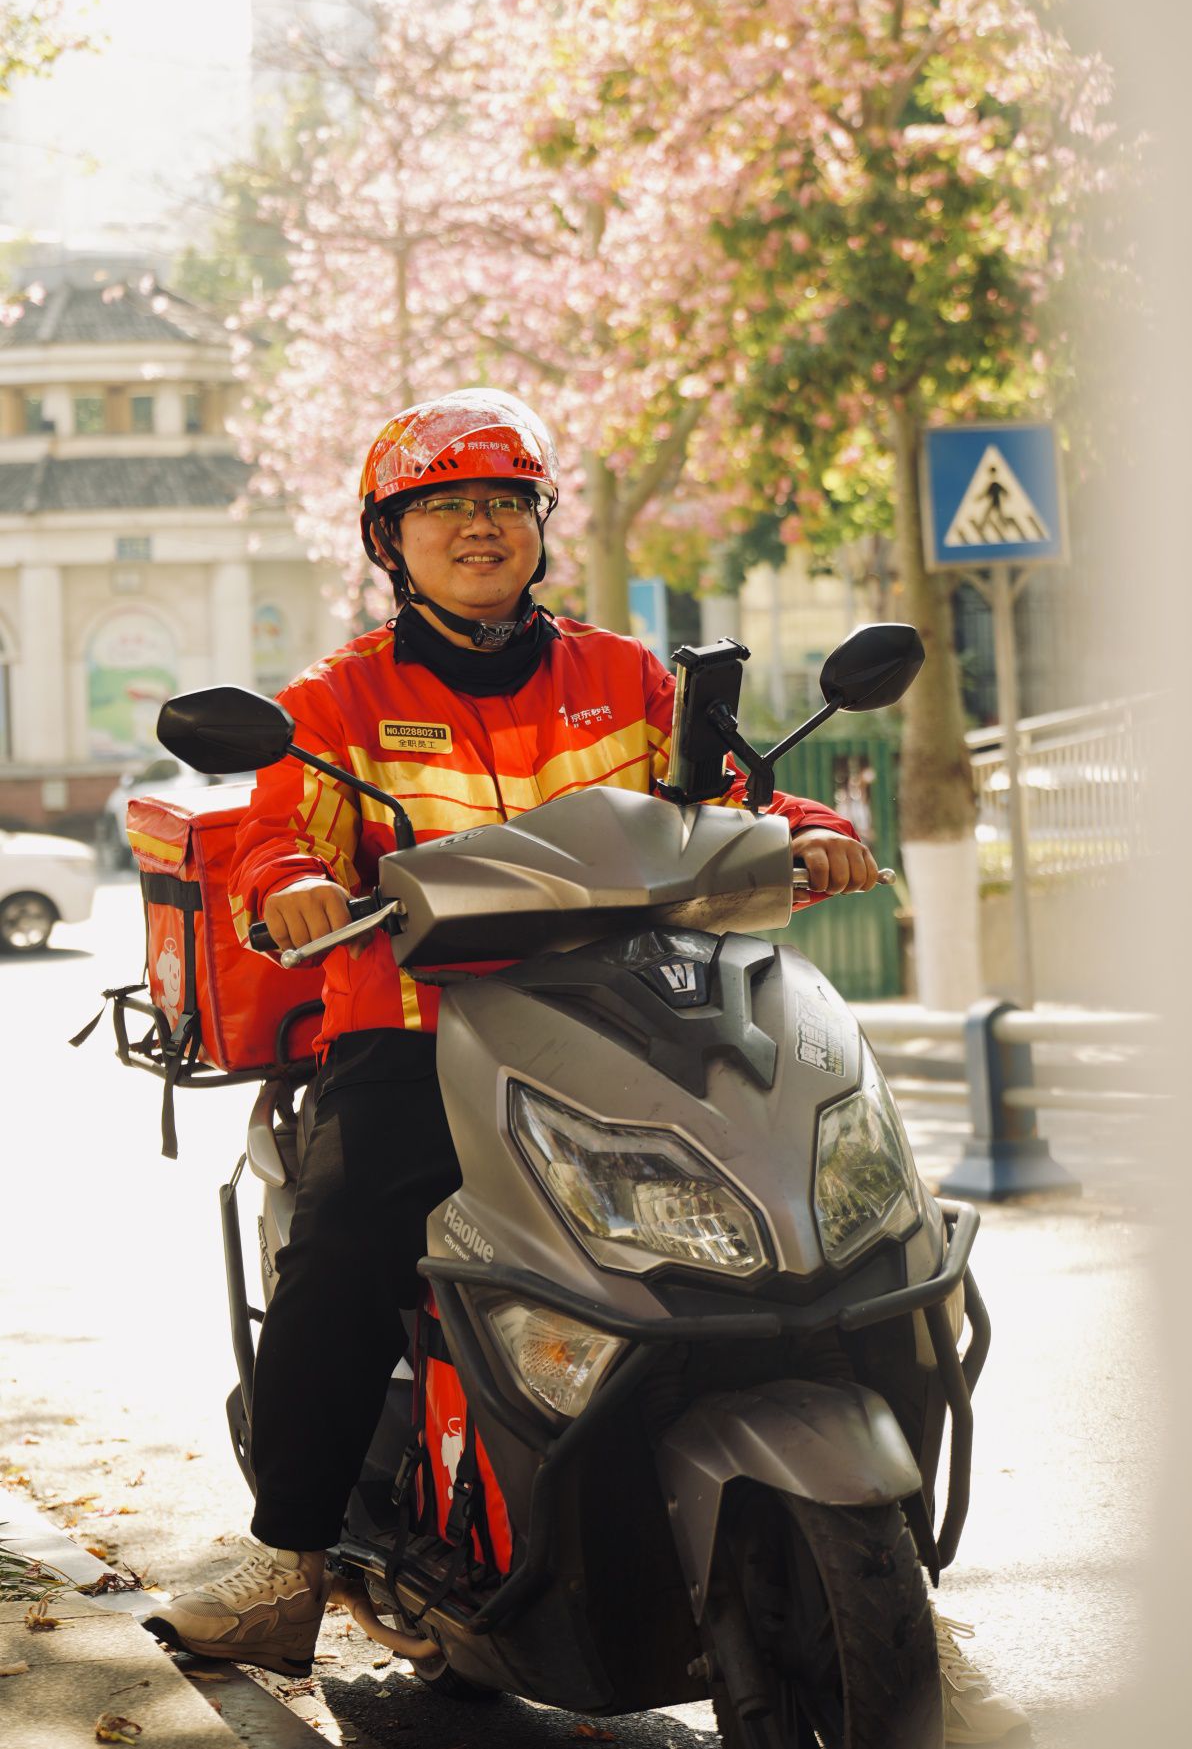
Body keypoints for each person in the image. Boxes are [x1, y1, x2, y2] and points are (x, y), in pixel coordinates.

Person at [148, 389, 1024, 1743]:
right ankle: (292, 1555)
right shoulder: (334, 701)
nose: (478, 527)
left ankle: (897, 1575)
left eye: (504, 503)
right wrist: (291, 887)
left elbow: (733, 790)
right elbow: (276, 837)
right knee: (350, 1233)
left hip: (636, 1010)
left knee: (843, 1230)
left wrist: (806, 826)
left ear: (540, 526)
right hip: (419, 1027)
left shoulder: (629, 677)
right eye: (443, 508)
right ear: (389, 541)